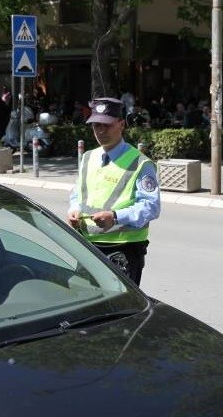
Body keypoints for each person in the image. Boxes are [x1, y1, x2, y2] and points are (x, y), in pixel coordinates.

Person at [67, 97, 161, 286]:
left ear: (121, 124)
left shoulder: (140, 163)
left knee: (120, 309)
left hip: (123, 249)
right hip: (88, 245)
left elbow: (151, 207)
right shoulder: (88, 157)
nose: (101, 131)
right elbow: (78, 192)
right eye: (96, 126)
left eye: (107, 125)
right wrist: (74, 210)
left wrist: (115, 216)